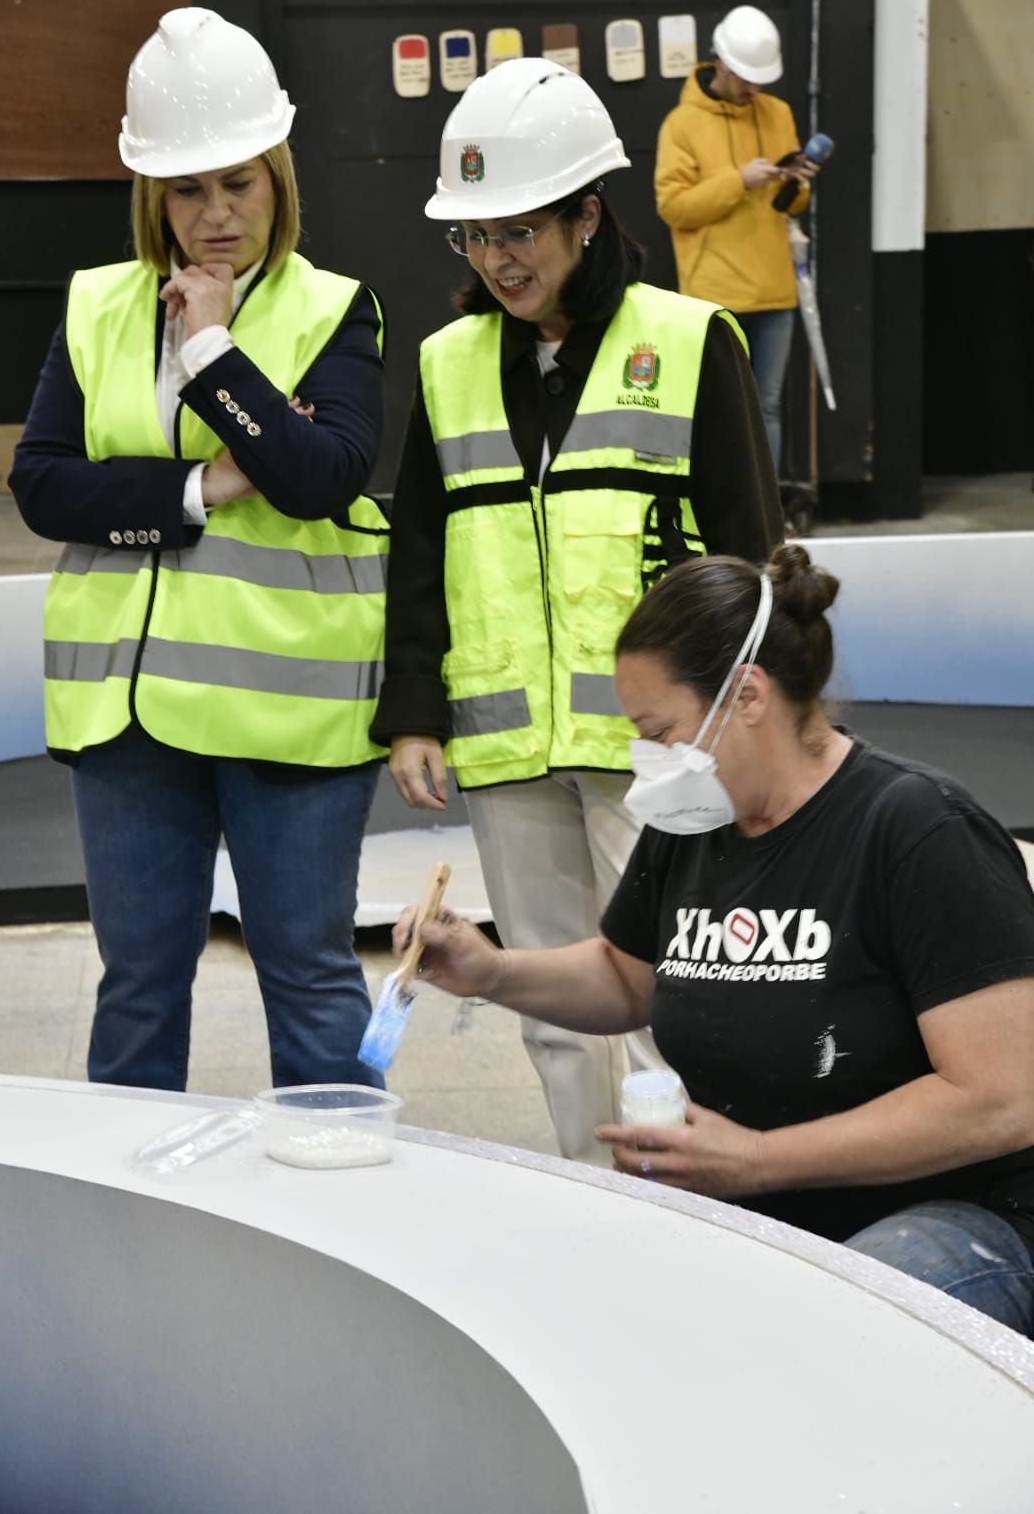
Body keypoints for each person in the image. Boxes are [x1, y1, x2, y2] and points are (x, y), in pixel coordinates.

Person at [392, 544, 1034, 1336]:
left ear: (749, 695)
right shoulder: (697, 824)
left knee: (814, 1340)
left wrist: (762, 1160)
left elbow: (1003, 1098)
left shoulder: (918, 830)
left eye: (658, 731)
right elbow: (628, 978)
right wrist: (491, 970)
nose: (648, 763)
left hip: (957, 1216)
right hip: (762, 1209)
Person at [371, 57, 782, 1164]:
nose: (499, 259)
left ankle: (695, 1216)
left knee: (672, 1009)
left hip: (664, 756)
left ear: (587, 217)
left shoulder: (693, 344)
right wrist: (414, 711)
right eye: (477, 236)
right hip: (510, 750)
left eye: (521, 230)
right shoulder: (446, 364)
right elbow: (418, 547)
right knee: (554, 1016)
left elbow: (754, 558)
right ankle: (588, 1202)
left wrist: (753, 726)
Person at [10, 7, 390, 1092]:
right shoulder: (93, 307)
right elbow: (42, 484)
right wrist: (193, 486)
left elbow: (321, 480)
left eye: (241, 184)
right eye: (189, 190)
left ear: (279, 177)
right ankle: (125, 1237)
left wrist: (214, 350)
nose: (217, 215)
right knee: (136, 983)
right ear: (152, 196)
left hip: (288, 716)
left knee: (310, 974)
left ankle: (347, 1203)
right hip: (126, 719)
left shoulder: (335, 310)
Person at [654, 5, 817, 476]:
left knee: (766, 410)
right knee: (718, 412)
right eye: (745, 76)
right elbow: (674, 208)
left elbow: (792, 206)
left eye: (760, 78)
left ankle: (769, 525)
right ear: (720, 63)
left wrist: (795, 182)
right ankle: (720, 521)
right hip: (714, 296)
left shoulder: (778, 113)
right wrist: (739, 181)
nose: (753, 88)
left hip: (775, 290)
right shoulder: (681, 124)